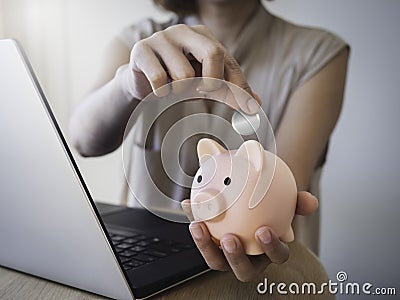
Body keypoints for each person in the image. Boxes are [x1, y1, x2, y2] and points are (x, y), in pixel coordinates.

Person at [69, 0, 349, 282]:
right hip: (145, 266)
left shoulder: (318, 52)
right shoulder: (138, 41)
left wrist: (257, 222)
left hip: (270, 279)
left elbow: (283, 185)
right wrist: (128, 85)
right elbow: (82, 140)